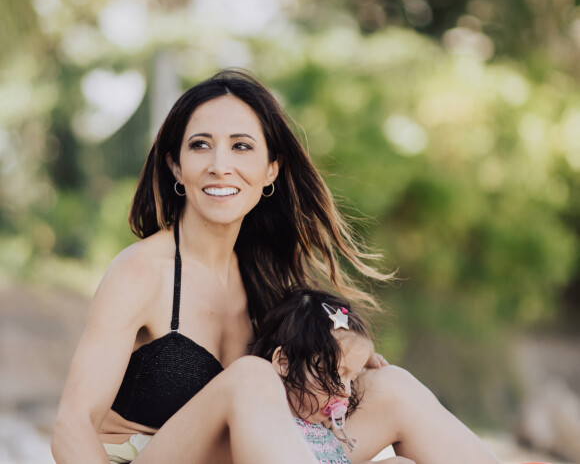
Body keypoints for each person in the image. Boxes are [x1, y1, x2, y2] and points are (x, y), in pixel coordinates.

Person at [51, 68, 501, 464]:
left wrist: (341, 363)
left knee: (392, 390)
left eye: (242, 147)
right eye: (200, 145)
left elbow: (303, 398)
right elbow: (71, 429)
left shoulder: (268, 279)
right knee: (250, 375)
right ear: (175, 165)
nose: (220, 166)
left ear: (270, 169)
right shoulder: (142, 272)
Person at [250, 287, 414, 464]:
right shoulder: (270, 418)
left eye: (352, 379)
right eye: (337, 374)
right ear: (284, 363)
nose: (347, 392)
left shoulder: (324, 425)